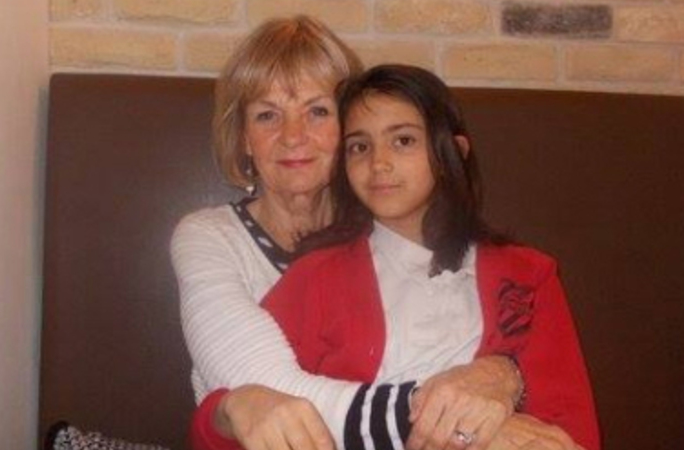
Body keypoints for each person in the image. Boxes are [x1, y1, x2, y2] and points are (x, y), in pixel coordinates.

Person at [193, 64, 600, 450]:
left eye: (403, 140)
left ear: (453, 152)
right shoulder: (315, 277)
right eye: (359, 147)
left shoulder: (527, 275)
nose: (379, 163)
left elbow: (571, 433)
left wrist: (508, 386)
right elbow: (229, 421)